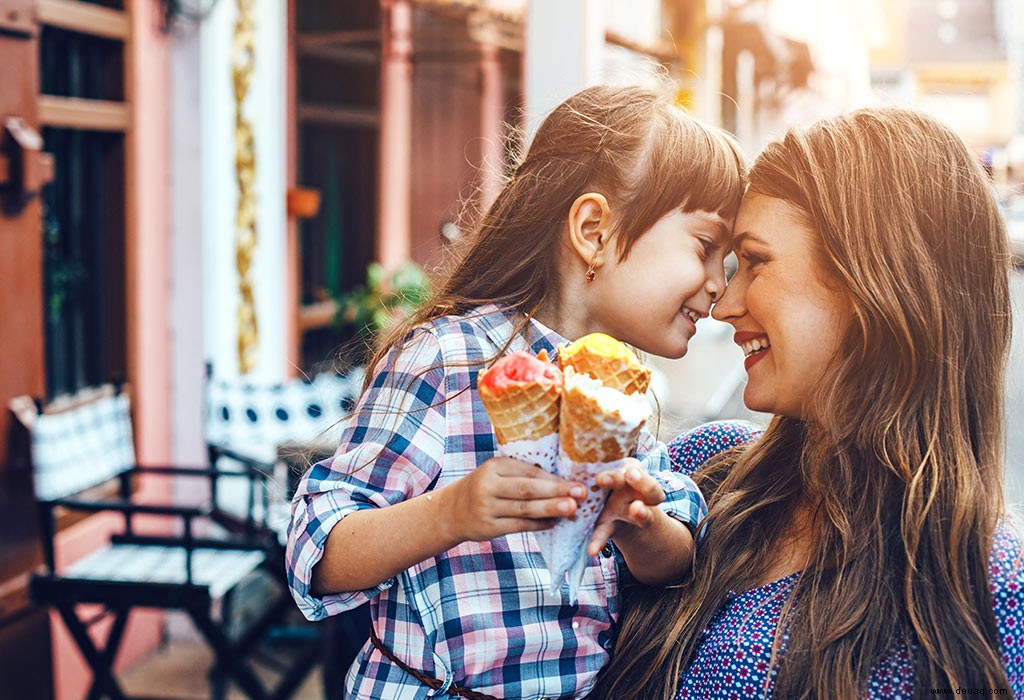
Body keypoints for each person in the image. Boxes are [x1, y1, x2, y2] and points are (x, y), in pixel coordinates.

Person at [285, 83, 746, 699]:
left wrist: (642, 526)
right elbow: (317, 553)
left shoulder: (620, 388)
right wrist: (450, 514)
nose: (720, 284)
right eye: (706, 248)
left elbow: (681, 553)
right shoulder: (450, 360)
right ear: (594, 230)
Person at [592, 106, 1024, 700]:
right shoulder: (698, 478)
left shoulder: (992, 587)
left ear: (873, 280)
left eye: (756, 262)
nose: (723, 304)